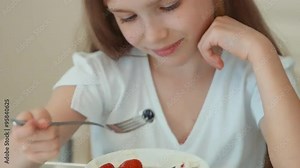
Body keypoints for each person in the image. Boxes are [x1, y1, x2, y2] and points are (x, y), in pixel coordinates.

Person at [2, 0, 300, 167]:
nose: (154, 34)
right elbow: (12, 154)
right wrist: (21, 144)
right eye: (129, 17)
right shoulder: (103, 74)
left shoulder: (258, 73)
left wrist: (261, 51)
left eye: (169, 5)